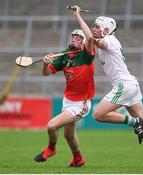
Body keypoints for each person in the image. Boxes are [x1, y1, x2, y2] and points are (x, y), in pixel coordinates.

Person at [72, 6, 143, 168]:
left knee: (98, 114)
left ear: (106, 30)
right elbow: (88, 46)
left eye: (97, 27)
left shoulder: (110, 40)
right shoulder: (104, 43)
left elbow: (91, 40)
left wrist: (78, 16)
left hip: (123, 85)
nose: (94, 28)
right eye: (94, 26)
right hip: (130, 84)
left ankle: (134, 122)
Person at [34, 28, 95, 168]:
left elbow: (91, 39)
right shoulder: (64, 55)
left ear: (84, 42)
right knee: (68, 134)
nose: (74, 39)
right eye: (73, 36)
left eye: (78, 38)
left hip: (82, 103)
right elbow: (46, 73)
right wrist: (45, 62)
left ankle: (51, 149)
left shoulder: (87, 55)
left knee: (51, 125)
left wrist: (77, 15)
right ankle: (78, 159)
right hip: (67, 100)